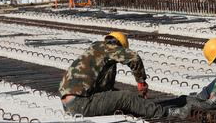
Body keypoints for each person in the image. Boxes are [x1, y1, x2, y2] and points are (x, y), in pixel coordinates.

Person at [59, 32, 189, 118]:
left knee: (122, 97)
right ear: (119, 46)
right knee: (125, 97)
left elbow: (105, 90)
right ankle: (168, 112)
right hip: (81, 104)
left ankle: (141, 106)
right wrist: (141, 82)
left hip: (69, 104)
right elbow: (134, 58)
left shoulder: (95, 52)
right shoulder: (108, 48)